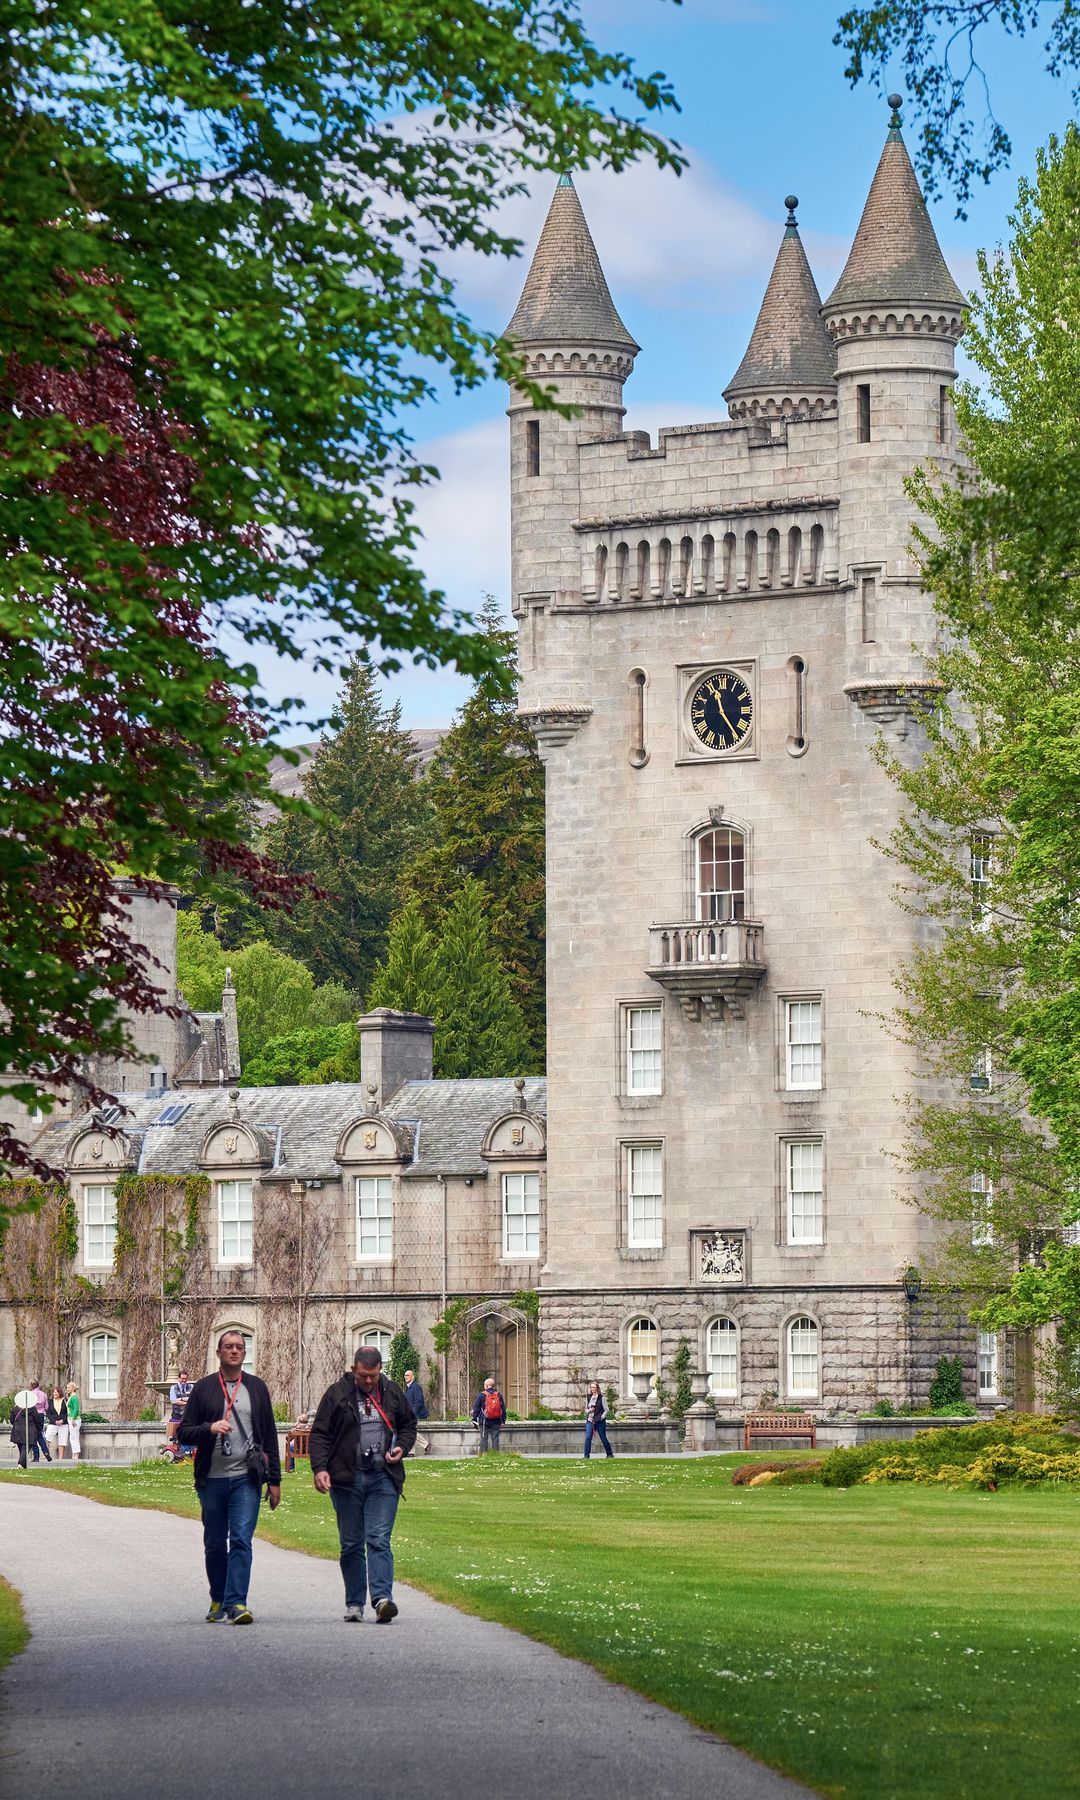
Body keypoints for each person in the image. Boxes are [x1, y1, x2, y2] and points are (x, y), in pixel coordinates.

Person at [177, 1330, 281, 1625]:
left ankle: (237, 1602)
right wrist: (209, 1428)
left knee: (241, 1540)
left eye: (239, 1347)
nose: (234, 1351)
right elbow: (183, 1432)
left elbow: (269, 1435)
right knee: (213, 1542)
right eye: (228, 1347)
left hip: (246, 1479)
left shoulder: (257, 1388)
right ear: (219, 1352)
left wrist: (275, 1481)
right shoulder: (205, 1389)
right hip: (212, 1479)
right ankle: (218, 1597)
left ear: (244, 1353)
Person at [309, 1345, 417, 1624]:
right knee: (351, 1543)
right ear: (353, 1369)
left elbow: (408, 1425)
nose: (368, 1381)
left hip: (383, 1476)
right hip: (347, 1478)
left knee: (379, 1539)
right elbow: (319, 1434)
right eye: (363, 1376)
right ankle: (354, 1603)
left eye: (373, 1375)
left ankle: (382, 1599)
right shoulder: (337, 1394)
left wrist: (402, 1449)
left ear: (380, 1370)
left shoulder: (392, 1392)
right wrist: (320, 1469)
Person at [471, 1376, 506, 1453]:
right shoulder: (498, 1395)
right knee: (495, 1438)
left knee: (484, 1438)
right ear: (493, 1386)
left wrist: (474, 1420)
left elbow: (476, 1409)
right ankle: (495, 1454)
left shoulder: (481, 1395)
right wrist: (503, 1421)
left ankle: (483, 1454)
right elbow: (503, 1408)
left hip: (484, 1421)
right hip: (496, 1420)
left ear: (486, 1386)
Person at [583, 1382, 614, 1459]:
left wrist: (602, 1417)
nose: (592, 1389)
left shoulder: (601, 1398)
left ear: (597, 1388)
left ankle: (609, 1454)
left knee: (603, 1438)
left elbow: (606, 1410)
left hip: (599, 1421)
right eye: (591, 1387)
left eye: (594, 1387)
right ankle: (586, 1456)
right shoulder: (588, 1397)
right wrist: (590, 1410)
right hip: (590, 1421)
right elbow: (586, 1410)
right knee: (588, 1438)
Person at [167, 1368, 193, 1446]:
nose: (184, 1380)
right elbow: (174, 1401)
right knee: (175, 1433)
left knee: (187, 1431)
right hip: (176, 1413)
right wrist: (186, 1403)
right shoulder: (173, 1388)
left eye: (185, 1378)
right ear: (179, 1378)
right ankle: (176, 1448)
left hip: (187, 1414)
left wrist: (181, 1399)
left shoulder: (191, 1386)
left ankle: (186, 1449)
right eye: (182, 1378)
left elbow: (192, 1399)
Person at [45, 1385, 69, 1460]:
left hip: (63, 1424)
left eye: (56, 1392)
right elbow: (48, 1413)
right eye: (53, 1392)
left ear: (59, 1392)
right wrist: (54, 1421)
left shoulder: (65, 1400)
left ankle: (60, 1458)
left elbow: (68, 1412)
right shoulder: (50, 1401)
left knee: (62, 1441)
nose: (54, 1393)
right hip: (53, 1423)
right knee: (47, 1438)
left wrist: (63, 1420)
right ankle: (46, 1455)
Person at [30, 1381, 50, 1465]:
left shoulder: (30, 1394)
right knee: (40, 1435)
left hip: (33, 1415)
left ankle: (36, 1456)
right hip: (41, 1415)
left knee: (33, 1435)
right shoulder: (43, 1394)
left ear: (31, 1385)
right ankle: (46, 1452)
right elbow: (46, 1407)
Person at [65, 1382, 82, 1462]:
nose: (67, 1389)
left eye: (69, 1387)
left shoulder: (74, 1397)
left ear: (72, 1388)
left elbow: (76, 1409)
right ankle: (74, 1453)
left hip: (74, 1419)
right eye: (67, 1387)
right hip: (71, 1418)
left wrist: (73, 1419)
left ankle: (76, 1454)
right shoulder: (71, 1396)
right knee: (72, 1437)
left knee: (74, 1437)